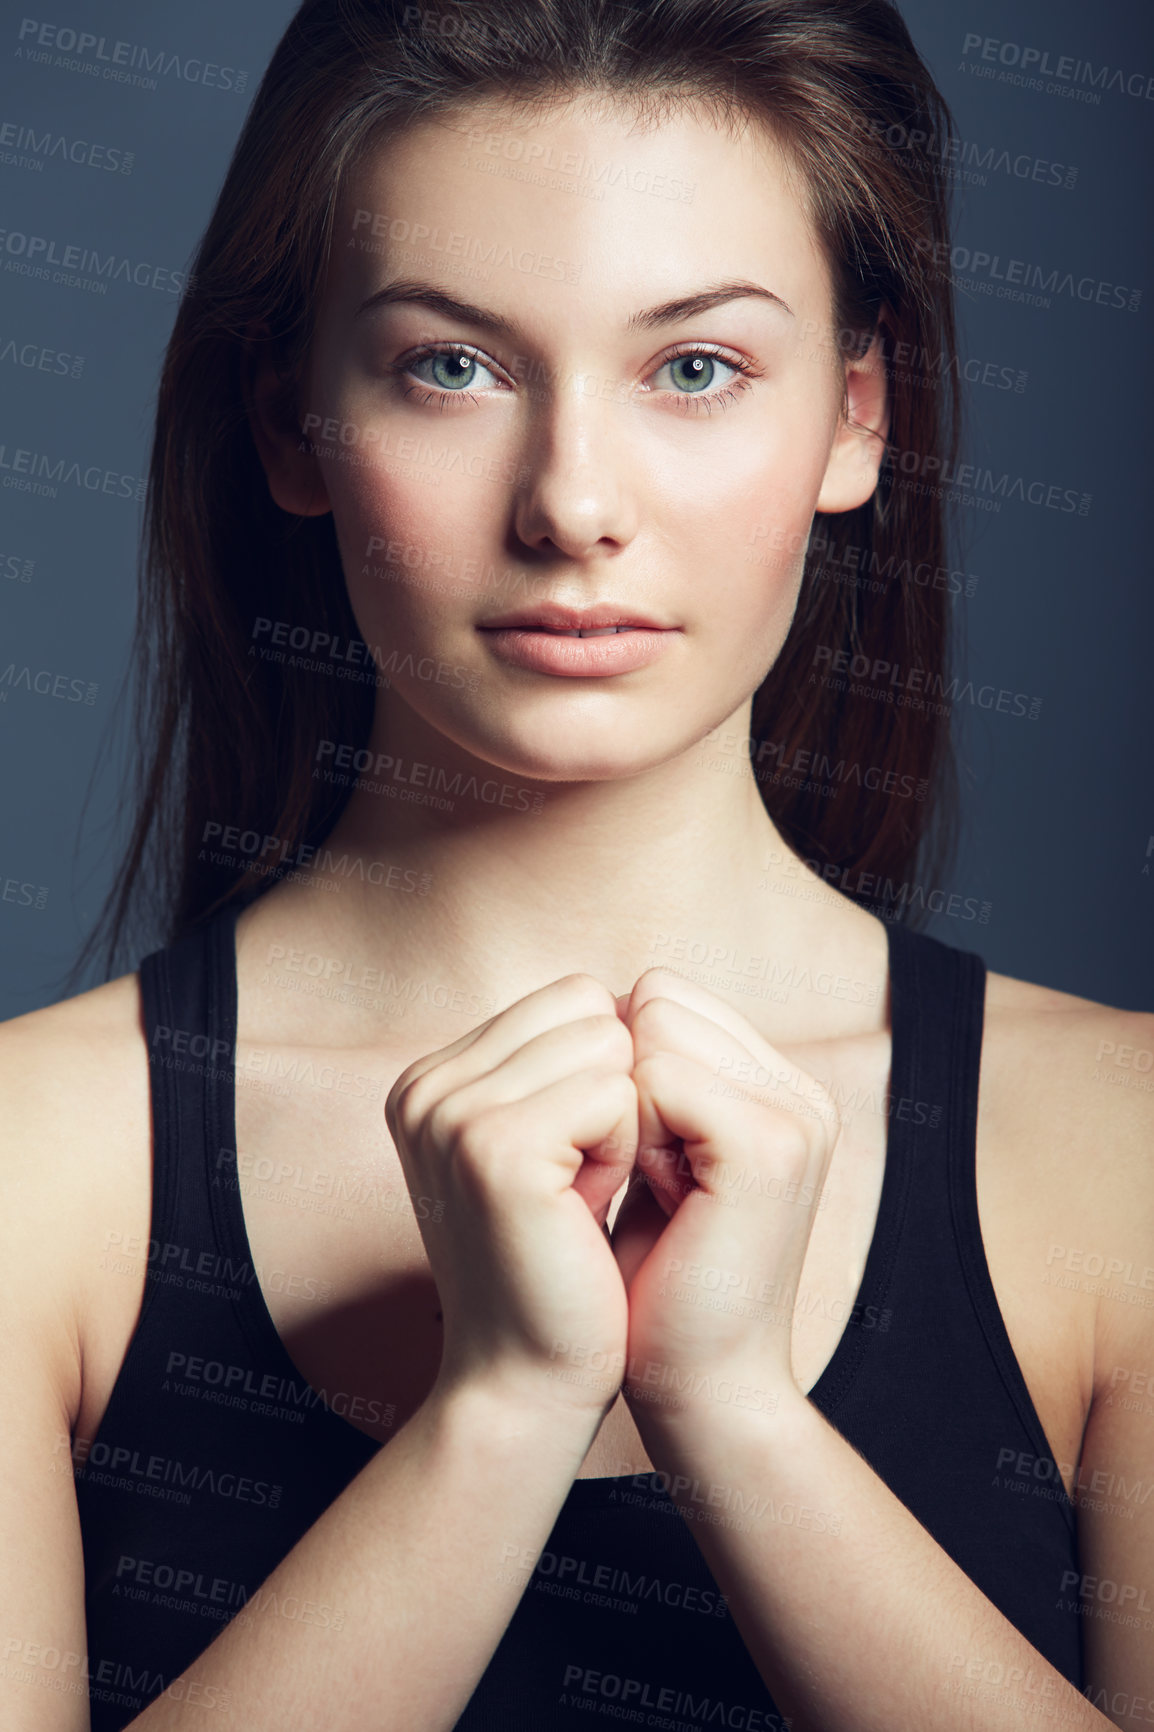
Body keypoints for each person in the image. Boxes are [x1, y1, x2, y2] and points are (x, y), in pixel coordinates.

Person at [1, 0, 1150, 1727]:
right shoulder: (35, 1171)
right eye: (448, 364)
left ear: (854, 419)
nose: (572, 504)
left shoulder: (1121, 1154)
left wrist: (737, 1416)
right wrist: (505, 1409)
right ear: (288, 423)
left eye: (695, 367)